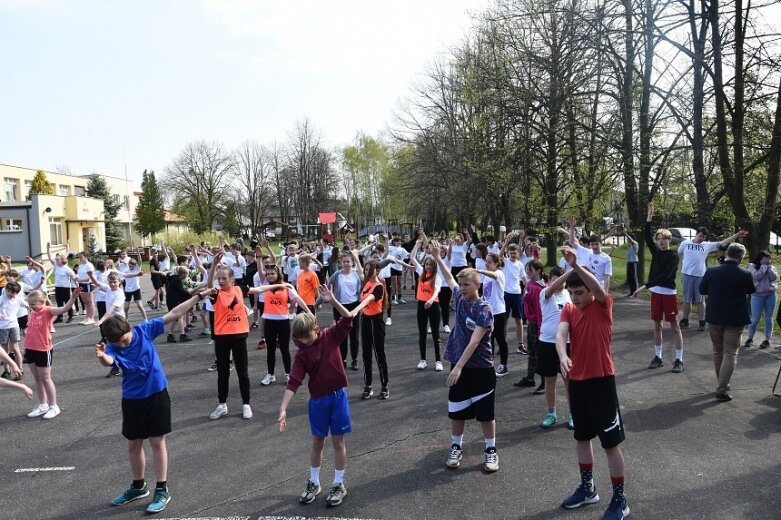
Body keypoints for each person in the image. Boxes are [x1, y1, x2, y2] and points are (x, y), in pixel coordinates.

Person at [95, 288, 211, 514]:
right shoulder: (112, 346)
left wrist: (199, 297)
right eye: (116, 342)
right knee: (133, 444)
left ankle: (162, 489)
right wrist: (102, 357)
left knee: (157, 442)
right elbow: (110, 361)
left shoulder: (144, 331)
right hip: (132, 399)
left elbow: (175, 313)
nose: (121, 344)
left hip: (156, 394)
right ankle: (138, 486)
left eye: (123, 339)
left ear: (129, 328)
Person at [556, 245, 628, 520]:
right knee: (582, 438)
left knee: (610, 444)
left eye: (579, 293)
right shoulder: (569, 309)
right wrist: (563, 356)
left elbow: (598, 288)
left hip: (601, 381)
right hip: (578, 382)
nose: (575, 297)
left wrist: (575, 265)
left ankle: (620, 500)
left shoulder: (602, 305)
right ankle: (588, 489)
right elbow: (561, 335)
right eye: (571, 293)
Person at [277, 285, 355, 507]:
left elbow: (348, 319)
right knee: (317, 442)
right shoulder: (301, 353)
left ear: (316, 328)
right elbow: (294, 381)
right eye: (301, 339)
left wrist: (332, 300)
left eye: (308, 336)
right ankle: (314, 481)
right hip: (318, 402)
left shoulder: (331, 335)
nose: (306, 341)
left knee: (338, 442)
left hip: (337, 397)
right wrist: (283, 408)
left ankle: (339, 483)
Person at [430, 241, 498, 473]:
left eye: (466, 284)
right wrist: (439, 258)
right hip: (459, 364)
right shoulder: (458, 297)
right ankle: (456, 446)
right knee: (457, 410)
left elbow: (475, 340)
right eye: (460, 284)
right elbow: (448, 277)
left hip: (480, 367)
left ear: (477, 285)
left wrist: (458, 367)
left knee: (485, 414)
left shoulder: (484, 309)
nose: (462, 288)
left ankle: (490, 450)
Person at [208, 255, 298, 419]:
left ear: (232, 278)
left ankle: (246, 404)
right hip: (221, 338)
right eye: (218, 278)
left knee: (243, 372)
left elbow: (259, 289)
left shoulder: (239, 290)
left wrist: (279, 284)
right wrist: (214, 265)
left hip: (239, 337)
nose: (220, 281)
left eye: (224, 278)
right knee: (223, 373)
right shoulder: (215, 293)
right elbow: (209, 285)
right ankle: (222, 404)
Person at [699, 243, 755, 401]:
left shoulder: (711, 271)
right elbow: (751, 290)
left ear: (727, 253)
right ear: (741, 257)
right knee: (730, 353)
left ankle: (722, 384)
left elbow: (702, 290)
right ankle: (722, 388)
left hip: (715, 316)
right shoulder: (744, 274)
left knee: (718, 352)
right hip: (735, 319)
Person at [635, 202, 685, 372]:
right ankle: (658, 356)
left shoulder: (673, 256)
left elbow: (665, 276)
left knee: (675, 326)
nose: (661, 241)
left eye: (664, 238)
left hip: (669, 293)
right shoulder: (656, 252)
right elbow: (647, 236)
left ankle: (679, 360)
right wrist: (649, 217)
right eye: (659, 239)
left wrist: (646, 285)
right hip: (656, 293)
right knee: (657, 325)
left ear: (669, 240)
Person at [23, 288, 82, 419]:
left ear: (42, 302)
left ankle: (54, 406)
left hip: (43, 350)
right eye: (30, 304)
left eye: (33, 304)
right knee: (37, 379)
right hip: (30, 348)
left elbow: (63, 309)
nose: (31, 307)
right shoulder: (33, 313)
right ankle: (42, 405)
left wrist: (73, 297)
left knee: (45, 378)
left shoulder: (48, 311)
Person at [678, 226, 748, 331]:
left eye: (704, 237)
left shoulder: (706, 245)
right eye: (700, 235)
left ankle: (702, 321)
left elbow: (723, 242)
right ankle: (685, 319)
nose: (701, 238)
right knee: (687, 299)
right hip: (687, 274)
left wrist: (737, 235)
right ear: (696, 234)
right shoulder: (685, 243)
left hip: (700, 275)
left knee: (700, 300)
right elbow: (679, 255)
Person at [259, 265, 311, 386]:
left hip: (283, 321)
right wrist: (260, 257)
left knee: (284, 349)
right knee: (270, 349)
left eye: (272, 273)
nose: (270, 276)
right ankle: (270, 374)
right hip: (269, 321)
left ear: (278, 274)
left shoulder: (287, 286)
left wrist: (308, 311)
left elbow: (297, 299)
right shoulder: (266, 285)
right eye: (268, 274)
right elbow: (260, 271)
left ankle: (288, 374)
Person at [536, 267, 574, 430]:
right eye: (555, 279)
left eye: (562, 279)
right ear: (549, 281)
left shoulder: (570, 295)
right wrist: (572, 270)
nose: (559, 282)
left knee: (569, 380)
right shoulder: (545, 293)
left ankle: (573, 414)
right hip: (547, 342)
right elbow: (553, 286)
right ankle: (551, 413)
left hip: (568, 343)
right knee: (549, 380)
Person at [351, 259, 389, 400]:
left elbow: (368, 300)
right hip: (365, 320)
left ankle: (385, 386)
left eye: (370, 269)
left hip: (375, 322)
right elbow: (361, 271)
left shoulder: (379, 286)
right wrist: (355, 256)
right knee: (366, 355)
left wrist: (356, 310)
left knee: (379, 355)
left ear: (377, 271)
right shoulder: (367, 283)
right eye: (366, 269)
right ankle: (368, 386)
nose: (366, 272)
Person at [327, 250, 363, 370]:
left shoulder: (357, 275)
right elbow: (327, 290)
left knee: (354, 335)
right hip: (339, 307)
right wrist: (318, 303)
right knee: (342, 335)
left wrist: (357, 258)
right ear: (340, 263)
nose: (346, 263)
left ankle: (354, 360)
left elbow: (364, 280)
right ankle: (342, 360)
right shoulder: (336, 275)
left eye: (348, 261)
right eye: (344, 262)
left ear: (352, 263)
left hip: (354, 307)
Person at [745, 250, 777, 349]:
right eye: (765, 258)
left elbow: (773, 278)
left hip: (771, 295)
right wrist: (763, 266)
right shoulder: (751, 266)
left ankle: (767, 340)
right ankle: (750, 338)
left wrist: (769, 267)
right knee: (755, 319)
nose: (768, 260)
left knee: (769, 318)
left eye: (769, 258)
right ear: (760, 258)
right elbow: (757, 276)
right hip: (757, 296)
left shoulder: (771, 267)